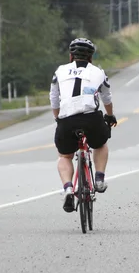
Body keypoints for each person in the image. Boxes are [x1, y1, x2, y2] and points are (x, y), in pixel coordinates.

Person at [50, 37, 118, 213]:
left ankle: (67, 189)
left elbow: (54, 99)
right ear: (91, 57)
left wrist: (58, 119)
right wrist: (110, 116)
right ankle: (100, 178)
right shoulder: (98, 72)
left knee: (65, 156)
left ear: (71, 56)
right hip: (91, 118)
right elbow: (107, 97)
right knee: (100, 144)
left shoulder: (60, 71)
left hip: (67, 119)